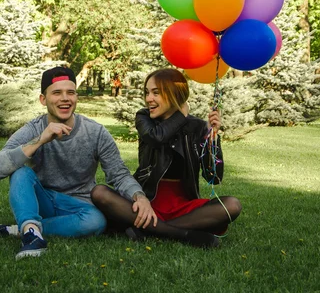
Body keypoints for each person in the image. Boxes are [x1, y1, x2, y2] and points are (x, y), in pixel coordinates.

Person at [0, 66, 150, 260]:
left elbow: (118, 173)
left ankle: (25, 229)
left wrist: (138, 195)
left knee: (96, 222)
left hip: (79, 206)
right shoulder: (33, 129)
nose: (65, 98)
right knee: (20, 173)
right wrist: (40, 140)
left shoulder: (96, 132)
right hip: (43, 201)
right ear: (43, 99)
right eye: (57, 93)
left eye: (71, 92)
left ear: (76, 97)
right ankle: (32, 236)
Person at [91, 68, 242, 248]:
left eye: (156, 93)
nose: (148, 99)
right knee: (99, 192)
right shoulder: (144, 118)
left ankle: (150, 230)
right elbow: (156, 138)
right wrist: (181, 114)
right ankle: (183, 234)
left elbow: (213, 177)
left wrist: (212, 139)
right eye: (147, 93)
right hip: (147, 200)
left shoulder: (197, 127)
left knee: (232, 205)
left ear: (174, 94)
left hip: (183, 204)